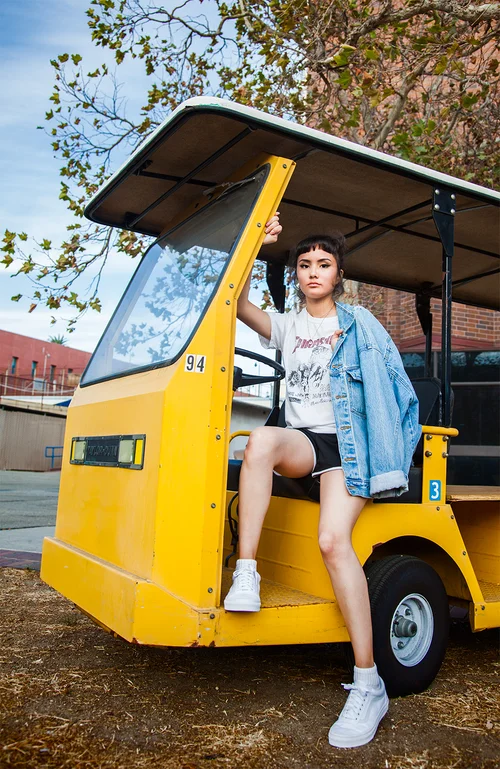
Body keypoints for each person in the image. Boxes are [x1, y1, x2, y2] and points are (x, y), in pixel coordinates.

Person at [224, 212, 393, 749]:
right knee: (259, 441)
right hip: (303, 441)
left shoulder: (358, 323)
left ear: (338, 273)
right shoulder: (289, 326)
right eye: (304, 264)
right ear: (296, 274)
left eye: (323, 264)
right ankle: (246, 572)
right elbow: (236, 303)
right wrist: (256, 241)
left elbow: (390, 390)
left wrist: (390, 458)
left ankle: (368, 683)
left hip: (348, 446)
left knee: (332, 543)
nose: (313, 271)